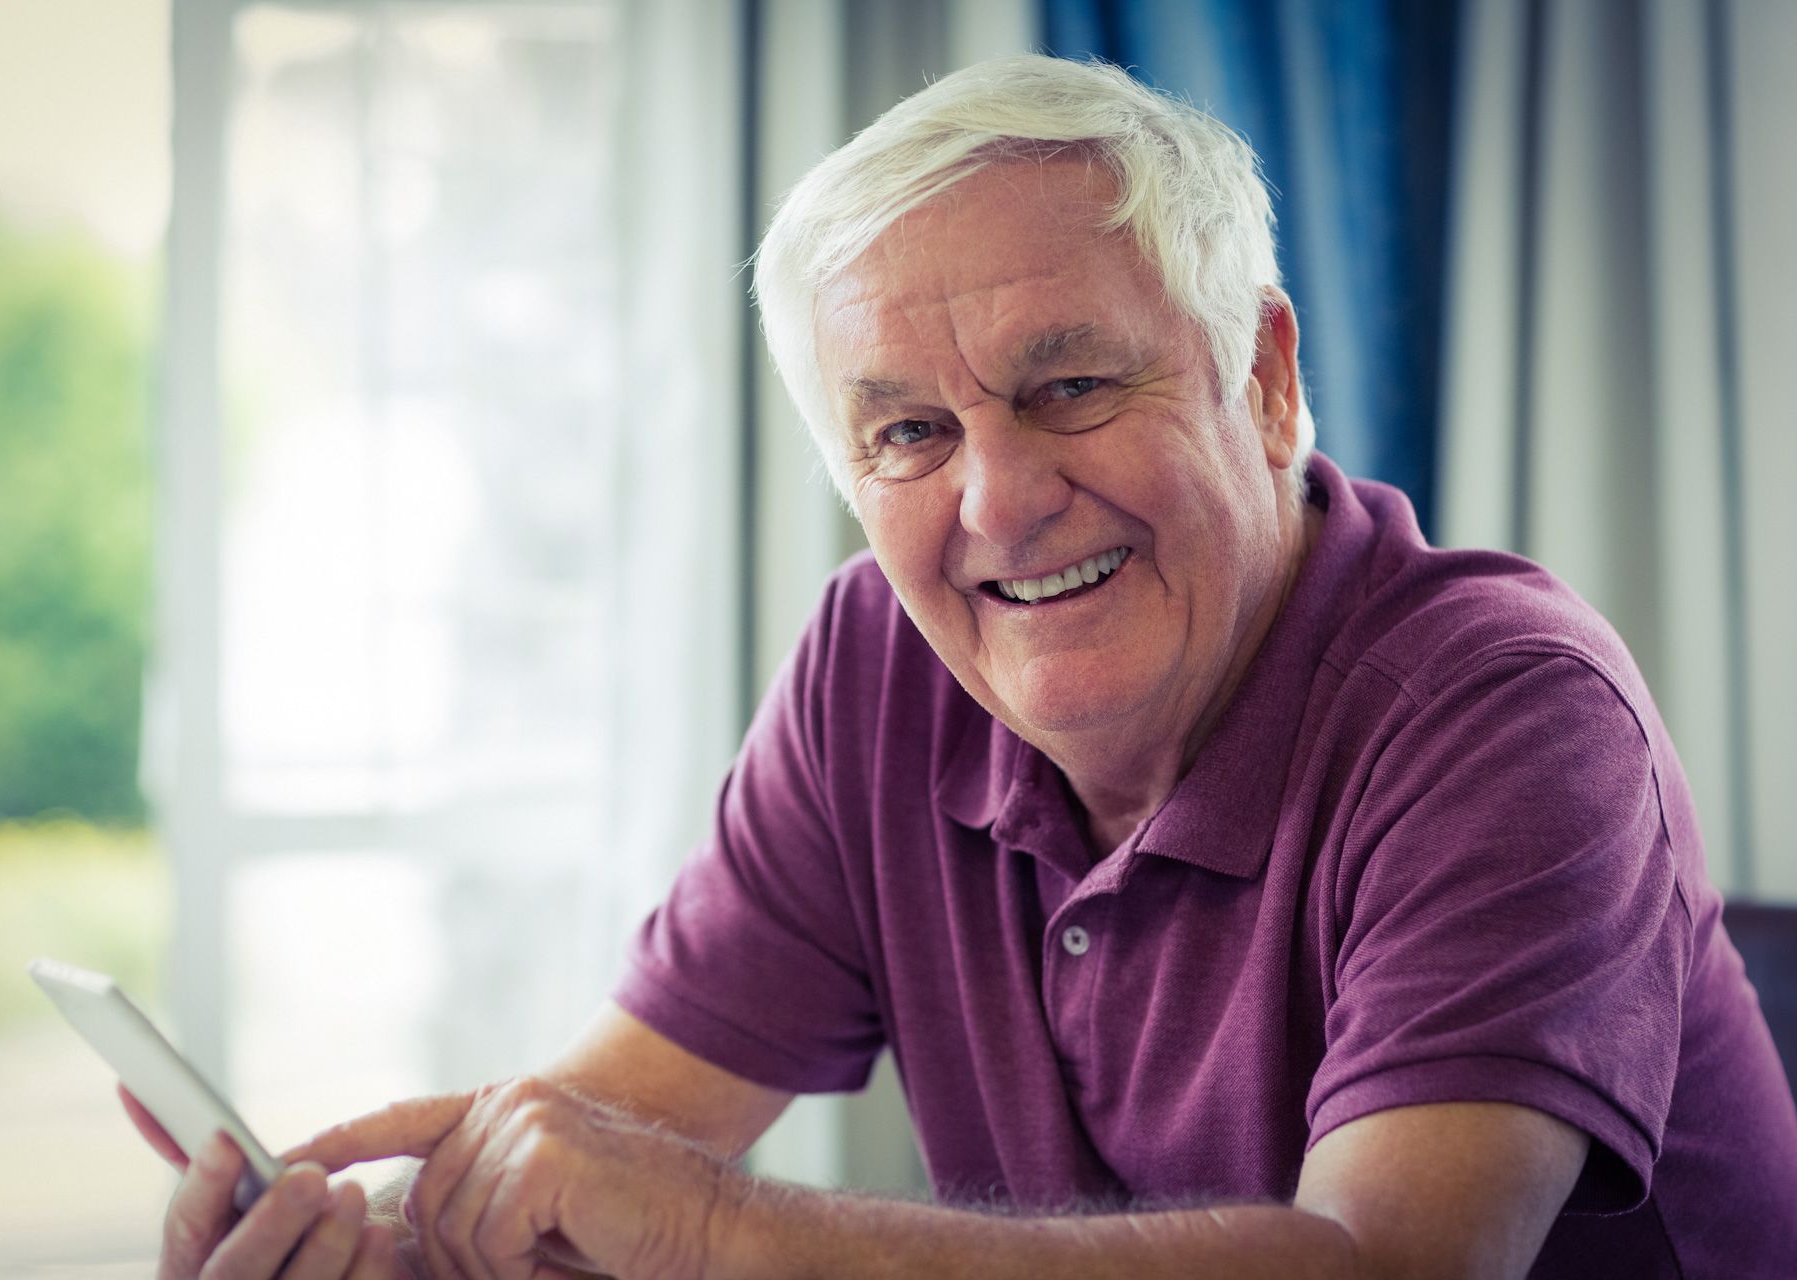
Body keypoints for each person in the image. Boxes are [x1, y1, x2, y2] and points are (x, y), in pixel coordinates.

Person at [130, 55, 1797, 1279]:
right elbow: (616, 1139)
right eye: (910, 433)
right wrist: (375, 1246)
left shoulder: (1505, 707)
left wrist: (713, 1232)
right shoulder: (879, 664)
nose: (998, 501)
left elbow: (1388, 1269)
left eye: (1071, 388)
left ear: (1268, 379)